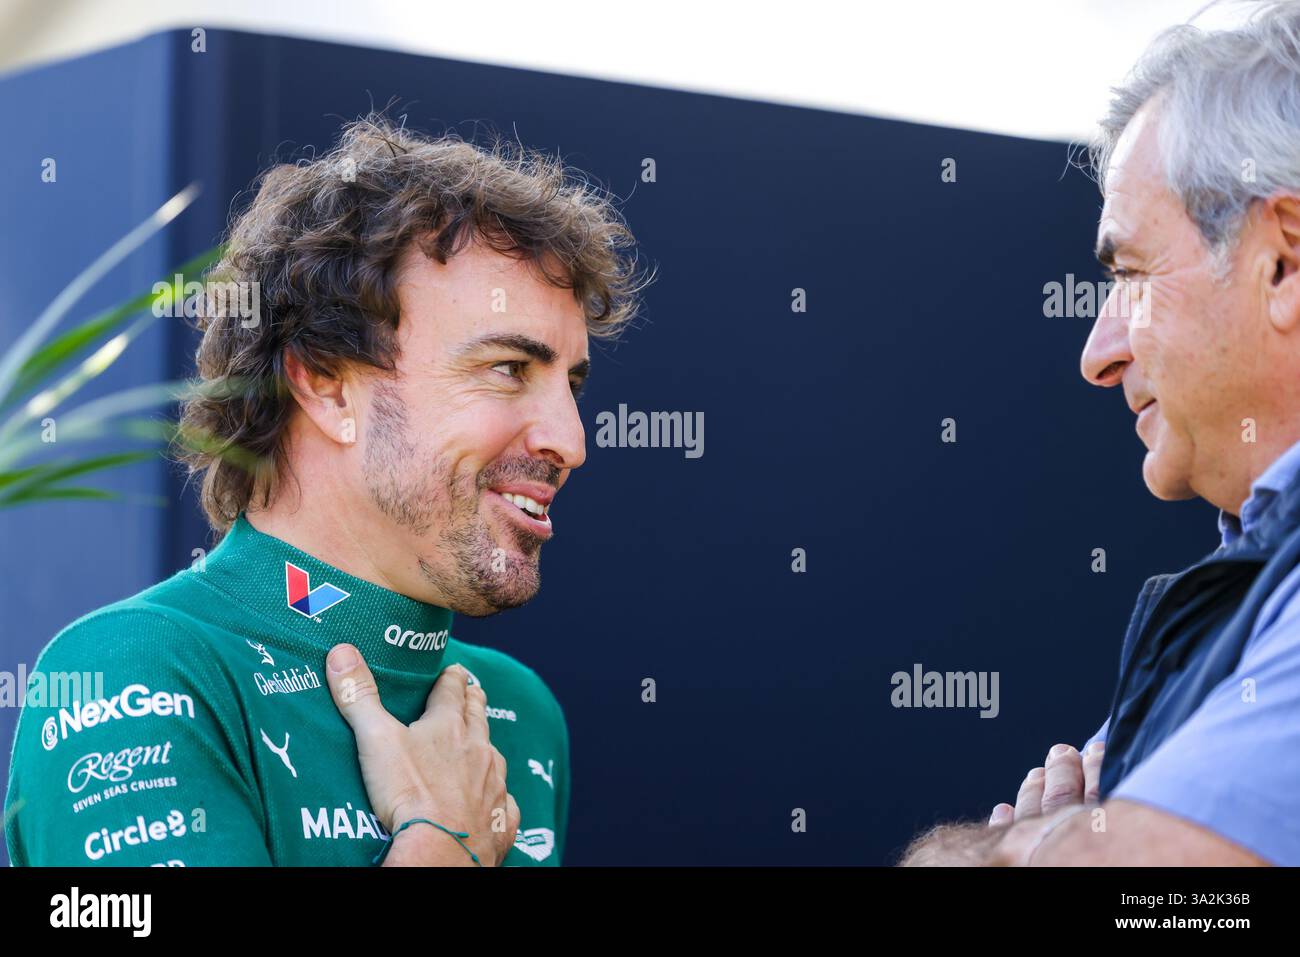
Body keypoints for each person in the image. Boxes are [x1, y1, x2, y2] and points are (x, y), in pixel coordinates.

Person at [3, 115, 646, 866]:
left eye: (569, 385)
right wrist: (443, 842)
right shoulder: (132, 671)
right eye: (508, 368)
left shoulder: (516, 710)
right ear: (327, 383)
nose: (570, 441)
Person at [902, 1, 1300, 865]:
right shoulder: (1255, 575)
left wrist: (1000, 852)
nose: (1097, 352)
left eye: (1131, 274)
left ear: (1284, 261)